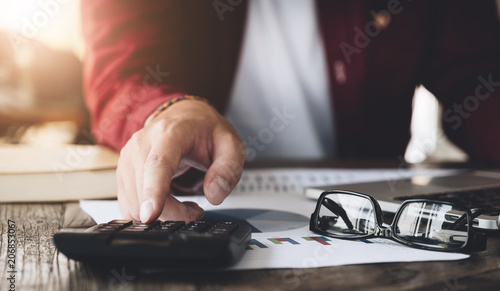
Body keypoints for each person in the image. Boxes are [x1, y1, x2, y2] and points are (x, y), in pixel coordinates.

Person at [81, 0, 500, 223]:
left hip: (370, 222)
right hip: (191, 203)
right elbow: (123, 73)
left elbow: (477, 80)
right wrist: (168, 111)